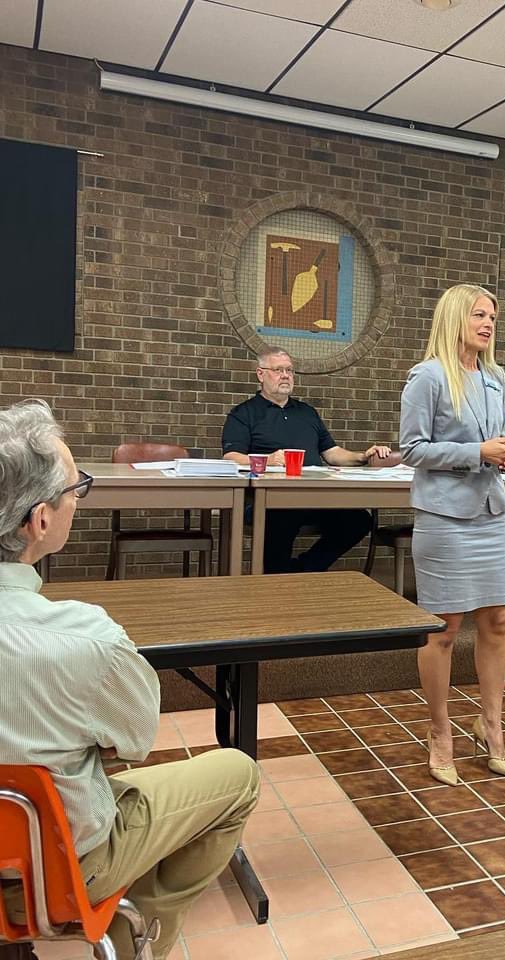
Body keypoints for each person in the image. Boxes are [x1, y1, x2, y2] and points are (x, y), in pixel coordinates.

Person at [0, 399, 259, 960]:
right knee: (238, 774)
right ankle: (138, 936)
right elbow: (136, 742)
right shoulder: (87, 638)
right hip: (58, 865)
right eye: (77, 488)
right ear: (40, 520)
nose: (78, 499)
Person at [400, 284, 505, 786]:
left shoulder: (495, 379)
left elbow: (493, 444)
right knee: (444, 630)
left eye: (492, 316)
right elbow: (411, 449)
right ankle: (439, 731)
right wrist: (478, 453)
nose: (489, 323)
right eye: (479, 314)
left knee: (496, 621)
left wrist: (503, 455)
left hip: (490, 511)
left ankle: (491, 725)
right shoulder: (426, 377)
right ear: (455, 317)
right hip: (445, 517)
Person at [222, 347, 392, 573]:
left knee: (358, 520)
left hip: (313, 497)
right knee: (281, 518)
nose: (286, 375)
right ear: (260, 374)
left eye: (290, 370)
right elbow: (231, 457)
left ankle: (305, 569)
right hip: (269, 500)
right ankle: (276, 577)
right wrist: (268, 459)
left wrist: (362, 456)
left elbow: (332, 453)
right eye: (278, 370)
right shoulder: (243, 414)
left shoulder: (307, 412)